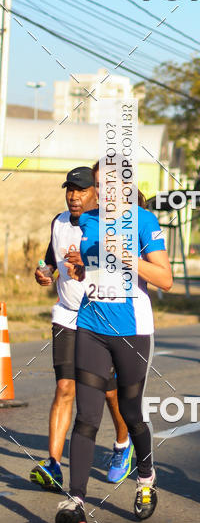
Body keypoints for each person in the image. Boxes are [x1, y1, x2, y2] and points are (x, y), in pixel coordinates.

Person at [55, 157, 172, 523]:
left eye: (109, 184)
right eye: (98, 185)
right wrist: (79, 268)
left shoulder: (143, 221)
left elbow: (165, 279)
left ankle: (146, 477)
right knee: (87, 416)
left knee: (131, 411)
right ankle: (75, 501)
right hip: (90, 325)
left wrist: (126, 257)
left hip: (132, 330)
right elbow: (90, 270)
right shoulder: (88, 222)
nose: (103, 192)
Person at [29, 166, 131, 492]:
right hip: (66, 316)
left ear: (95, 193)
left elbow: (121, 273)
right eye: (70, 190)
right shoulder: (58, 223)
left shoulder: (108, 226)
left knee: (109, 392)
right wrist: (45, 272)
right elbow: (50, 259)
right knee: (64, 388)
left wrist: (87, 266)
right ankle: (54, 465)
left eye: (81, 190)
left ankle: (122, 443)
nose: (74, 196)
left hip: (100, 318)